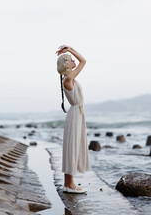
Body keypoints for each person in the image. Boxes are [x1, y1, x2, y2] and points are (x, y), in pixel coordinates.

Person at [56, 45, 91, 194]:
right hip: (75, 115)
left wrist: (69, 51)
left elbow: (81, 61)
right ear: (66, 64)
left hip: (77, 114)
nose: (74, 62)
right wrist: (69, 49)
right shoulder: (69, 78)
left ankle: (67, 183)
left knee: (73, 147)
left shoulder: (69, 79)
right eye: (71, 60)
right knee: (72, 147)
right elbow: (84, 61)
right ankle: (69, 185)